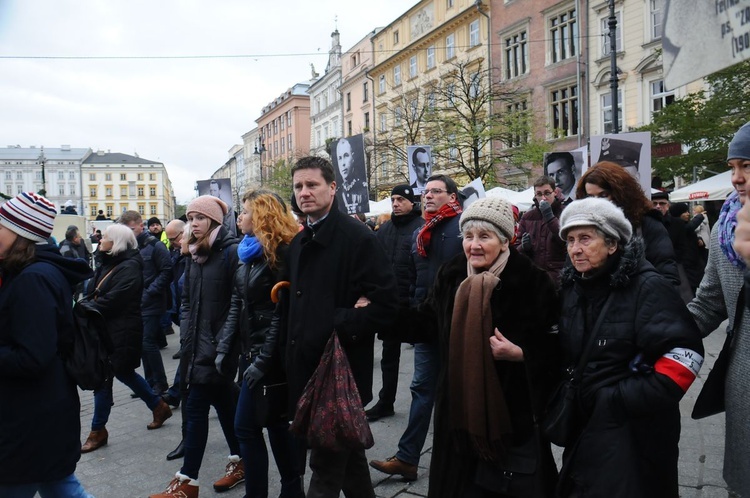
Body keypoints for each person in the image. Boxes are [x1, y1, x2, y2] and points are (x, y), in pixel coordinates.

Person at [556, 197, 704, 497]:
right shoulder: (574, 286)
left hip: (637, 434)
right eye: (570, 240)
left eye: (585, 238)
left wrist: (617, 400)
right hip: (587, 427)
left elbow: (685, 357)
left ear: (613, 244)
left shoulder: (648, 286)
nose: (575, 248)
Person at [415, 197, 560, 497]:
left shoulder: (531, 281)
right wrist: (375, 313)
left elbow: (558, 345)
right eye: (468, 236)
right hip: (457, 408)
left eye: (485, 236)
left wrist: (522, 354)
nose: (474, 245)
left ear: (506, 240)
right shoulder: (452, 273)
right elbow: (425, 323)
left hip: (509, 415)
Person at [282, 156, 397, 497]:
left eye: (312, 185)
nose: (304, 193)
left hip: (339, 371)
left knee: (326, 468)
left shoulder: (357, 237)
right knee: (349, 460)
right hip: (306, 369)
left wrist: (338, 319)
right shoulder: (298, 243)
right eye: (299, 186)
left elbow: (388, 306)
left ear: (332, 188)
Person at [370, 174, 464, 481]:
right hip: (426, 322)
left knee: (459, 393)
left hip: (459, 322)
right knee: (422, 388)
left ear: (452, 197)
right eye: (426, 192)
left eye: (437, 191)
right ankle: (408, 458)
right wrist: (408, 313)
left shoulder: (463, 228)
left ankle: (461, 460)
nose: (429, 196)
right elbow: (413, 278)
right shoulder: (421, 231)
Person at [0, 192, 94, 497]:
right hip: (37, 414)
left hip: (29, 419)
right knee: (60, 486)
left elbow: (32, 357)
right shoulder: (28, 273)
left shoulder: (33, 279)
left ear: (20, 234)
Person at [150, 196, 244, 498]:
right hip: (196, 347)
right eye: (190, 218)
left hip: (219, 348)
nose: (194, 223)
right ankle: (240, 460)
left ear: (214, 221)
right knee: (225, 406)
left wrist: (221, 343)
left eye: (200, 218)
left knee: (195, 407)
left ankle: (187, 480)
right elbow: (187, 300)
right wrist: (189, 334)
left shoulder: (230, 252)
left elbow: (236, 303)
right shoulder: (193, 254)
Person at [215, 189, 305, 498]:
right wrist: (225, 348)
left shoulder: (281, 255)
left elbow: (282, 315)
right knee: (275, 424)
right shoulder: (247, 254)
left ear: (262, 216)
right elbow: (237, 305)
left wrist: (263, 361)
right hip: (250, 354)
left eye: (246, 212)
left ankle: (267, 492)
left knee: (247, 427)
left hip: (272, 358)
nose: (240, 217)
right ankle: (292, 489)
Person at [688, 121, 750, 497]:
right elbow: (709, 303)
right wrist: (657, 336)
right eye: (733, 167)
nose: (737, 178)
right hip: (743, 385)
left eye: (748, 166)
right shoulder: (725, 229)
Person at [79, 224, 173, 454]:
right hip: (108, 330)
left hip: (121, 330)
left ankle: (98, 430)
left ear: (117, 242)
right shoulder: (110, 263)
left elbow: (112, 301)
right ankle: (158, 405)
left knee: (107, 377)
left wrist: (84, 308)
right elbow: (95, 291)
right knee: (120, 373)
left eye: (105, 238)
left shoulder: (129, 266)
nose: (100, 240)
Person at [366, 185, 424, 422]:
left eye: (401, 199)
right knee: (390, 355)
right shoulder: (384, 229)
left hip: (415, 304)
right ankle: (385, 402)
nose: (396, 203)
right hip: (390, 304)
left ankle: (425, 404)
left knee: (424, 358)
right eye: (393, 199)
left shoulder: (421, 228)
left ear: (412, 202)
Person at [576, 161, 681, 286]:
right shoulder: (581, 228)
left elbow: (667, 276)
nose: (596, 202)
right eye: (590, 197)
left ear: (620, 194)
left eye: (603, 195)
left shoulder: (647, 224)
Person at [120, 210, 172, 395]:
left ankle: (160, 384)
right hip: (136, 303)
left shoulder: (155, 246)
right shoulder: (129, 248)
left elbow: (167, 271)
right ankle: (150, 383)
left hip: (152, 302)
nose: (129, 233)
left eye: (132, 229)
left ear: (141, 226)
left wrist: (149, 292)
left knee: (148, 342)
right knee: (143, 344)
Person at [515, 175, 567, 287]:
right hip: (535, 280)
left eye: (547, 193)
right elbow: (516, 251)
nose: (543, 198)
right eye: (539, 194)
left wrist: (550, 218)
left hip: (560, 279)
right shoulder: (528, 217)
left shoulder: (565, 213)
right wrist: (523, 247)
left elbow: (566, 242)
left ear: (555, 193)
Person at [334, 138, 368, 215]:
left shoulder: (363, 189)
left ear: (352, 158)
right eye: (339, 158)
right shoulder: (336, 194)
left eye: (346, 156)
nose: (343, 163)